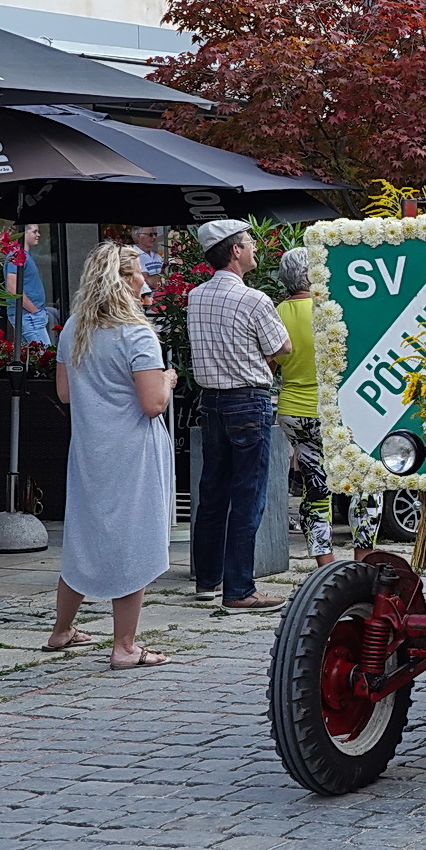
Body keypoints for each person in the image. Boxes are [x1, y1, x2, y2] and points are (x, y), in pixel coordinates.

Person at [43, 243, 176, 668]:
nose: (145, 279)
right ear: (124, 280)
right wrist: (169, 380)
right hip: (132, 450)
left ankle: (61, 630)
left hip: (88, 446)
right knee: (133, 540)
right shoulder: (137, 334)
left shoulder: (74, 330)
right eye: (138, 272)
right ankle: (124, 646)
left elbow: (65, 393)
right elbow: (152, 404)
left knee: (84, 536)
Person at [188, 219, 290, 612]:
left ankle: (208, 579)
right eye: (248, 243)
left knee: (212, 493)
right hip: (247, 399)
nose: (253, 249)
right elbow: (283, 347)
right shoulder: (255, 300)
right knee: (248, 495)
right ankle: (240, 588)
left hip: (210, 401)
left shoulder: (196, 296)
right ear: (234, 251)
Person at [273, 248, 383, 567]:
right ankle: (363, 562)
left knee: (316, 489)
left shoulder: (277, 312)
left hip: (294, 411)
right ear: (312, 275)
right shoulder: (334, 309)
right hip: (338, 413)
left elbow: (273, 361)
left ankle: (327, 568)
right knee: (366, 486)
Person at [4, 223, 53, 348]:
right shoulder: (16, 255)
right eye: (35, 231)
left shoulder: (24, 255)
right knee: (45, 356)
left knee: (32, 358)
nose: (38, 235)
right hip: (28, 316)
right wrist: (34, 310)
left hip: (29, 315)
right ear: (24, 233)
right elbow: (12, 287)